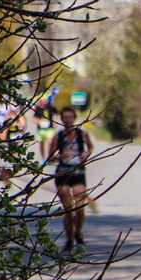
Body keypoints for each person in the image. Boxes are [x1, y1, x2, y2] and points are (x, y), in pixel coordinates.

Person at [42, 105, 93, 251]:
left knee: (80, 206)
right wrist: (60, 157)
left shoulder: (82, 134)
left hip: (78, 173)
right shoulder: (58, 136)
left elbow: (90, 147)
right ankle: (69, 239)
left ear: (74, 118)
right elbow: (50, 157)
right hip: (62, 174)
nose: (68, 120)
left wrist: (86, 154)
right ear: (62, 119)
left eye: (70, 117)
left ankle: (78, 233)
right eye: (65, 118)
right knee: (68, 210)